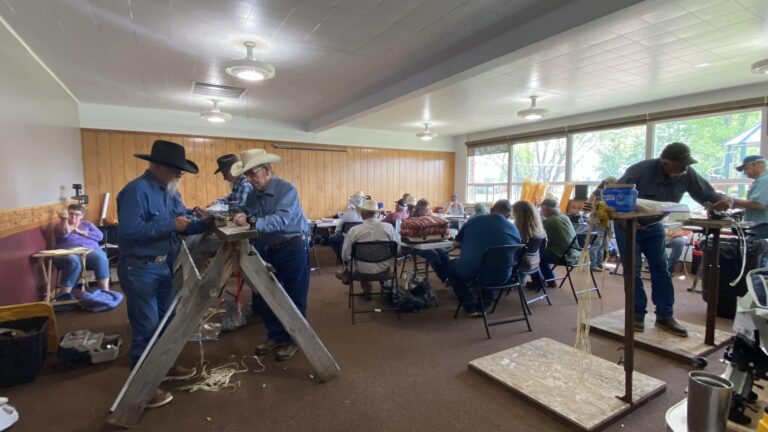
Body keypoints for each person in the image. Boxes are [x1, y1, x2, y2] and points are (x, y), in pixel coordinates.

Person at [117, 140, 211, 408]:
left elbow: (183, 227)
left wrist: (207, 221)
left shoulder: (170, 191)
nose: (179, 174)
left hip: (163, 266)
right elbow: (129, 232)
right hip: (139, 268)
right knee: (146, 327)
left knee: (167, 322)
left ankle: (163, 368)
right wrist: (171, 224)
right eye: (174, 169)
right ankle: (141, 388)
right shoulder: (135, 191)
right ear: (156, 166)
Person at [614, 142, 732, 337]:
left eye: (686, 165)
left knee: (662, 270)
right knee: (632, 271)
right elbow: (613, 196)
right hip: (626, 226)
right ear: (665, 163)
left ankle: (665, 316)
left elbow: (709, 195)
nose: (684, 169)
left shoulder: (687, 173)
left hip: (654, 225)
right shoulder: (640, 171)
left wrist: (724, 200)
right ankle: (636, 314)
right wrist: (624, 221)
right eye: (680, 165)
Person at [232, 148, 310, 362]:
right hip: (267, 249)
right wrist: (239, 213)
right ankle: (276, 336)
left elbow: (280, 221)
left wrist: (251, 221)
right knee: (267, 296)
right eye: (246, 175)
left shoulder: (287, 189)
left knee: (294, 298)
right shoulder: (253, 193)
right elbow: (243, 209)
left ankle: (293, 340)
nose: (249, 180)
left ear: (267, 170)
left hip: (292, 249)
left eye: (252, 174)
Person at [444, 199, 521, 317]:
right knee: (492, 264)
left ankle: (469, 303)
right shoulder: (514, 229)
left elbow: (456, 243)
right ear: (508, 215)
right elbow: (516, 251)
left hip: (474, 271)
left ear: (491, 210)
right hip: (503, 275)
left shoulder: (474, 221)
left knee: (450, 265)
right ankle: (483, 304)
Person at [336, 199, 398, 300]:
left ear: (362, 215)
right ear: (378, 214)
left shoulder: (354, 231)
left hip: (361, 273)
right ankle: (386, 287)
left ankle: (365, 289)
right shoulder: (389, 228)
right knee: (372, 260)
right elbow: (397, 250)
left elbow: (345, 256)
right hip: (384, 271)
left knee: (360, 263)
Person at [52, 203, 110, 300]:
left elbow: (100, 236)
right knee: (73, 261)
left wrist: (81, 232)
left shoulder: (87, 224)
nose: (74, 216)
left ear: (82, 216)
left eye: (77, 214)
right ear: (67, 214)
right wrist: (64, 220)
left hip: (89, 250)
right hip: (68, 252)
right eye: (71, 214)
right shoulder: (60, 225)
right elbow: (64, 233)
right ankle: (64, 295)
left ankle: (105, 292)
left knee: (101, 258)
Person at [732, 155, 768, 267]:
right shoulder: (761, 181)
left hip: (762, 227)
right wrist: (737, 204)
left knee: (757, 262)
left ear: (755, 164)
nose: (744, 172)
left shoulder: (764, 180)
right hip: (761, 226)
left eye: (745, 168)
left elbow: (758, 204)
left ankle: (756, 279)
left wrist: (732, 200)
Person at [539, 198, 579, 287]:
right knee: (542, 255)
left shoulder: (548, 221)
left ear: (546, 209)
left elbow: (538, 238)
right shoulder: (565, 217)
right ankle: (550, 280)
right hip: (574, 254)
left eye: (541, 209)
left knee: (532, 256)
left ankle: (538, 282)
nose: (541, 211)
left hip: (562, 255)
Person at [511, 201, 547, 287]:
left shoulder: (520, 232)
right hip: (534, 262)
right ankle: (539, 281)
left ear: (519, 215)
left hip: (522, 264)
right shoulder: (538, 230)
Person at [586, 177, 616, 272]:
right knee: (596, 243)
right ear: (608, 182)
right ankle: (593, 264)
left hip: (607, 221)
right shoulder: (598, 191)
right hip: (597, 221)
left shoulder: (611, 192)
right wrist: (589, 215)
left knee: (603, 244)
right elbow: (588, 204)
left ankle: (599, 263)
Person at [328, 191, 365, 261]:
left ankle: (341, 256)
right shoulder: (364, 215)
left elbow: (338, 229)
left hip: (345, 238)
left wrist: (336, 232)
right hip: (360, 237)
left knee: (331, 238)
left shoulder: (347, 215)